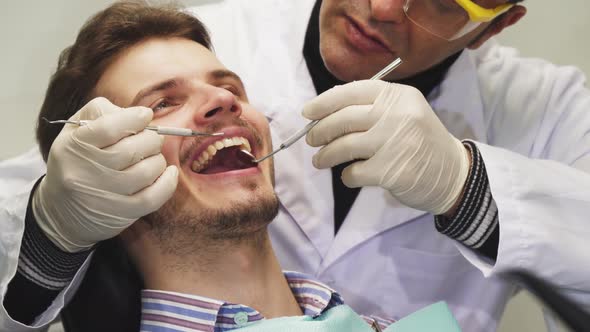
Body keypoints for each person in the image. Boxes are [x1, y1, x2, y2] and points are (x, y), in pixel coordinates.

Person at [1, 0, 589, 331]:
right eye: (163, 101)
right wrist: (52, 236)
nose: (383, 6)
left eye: (435, 0)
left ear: (497, 24)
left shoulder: (551, 110)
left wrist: (470, 190)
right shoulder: (218, 32)